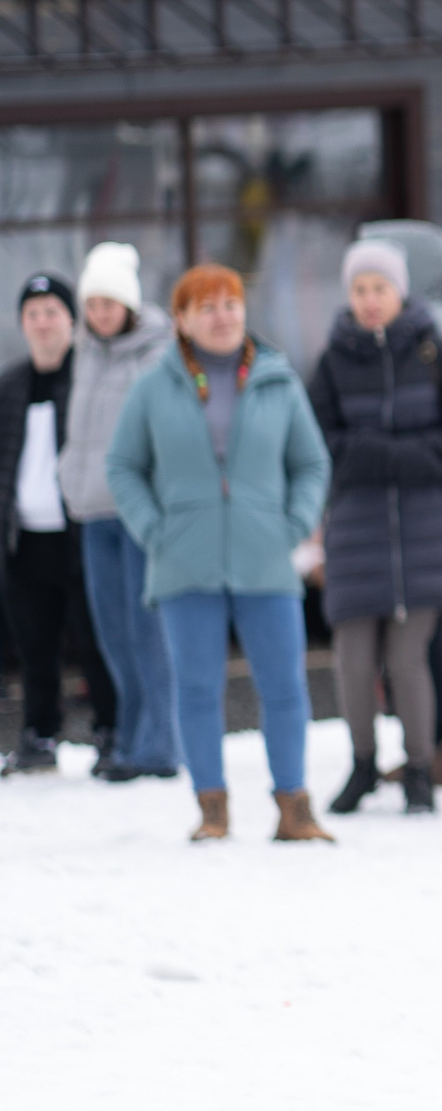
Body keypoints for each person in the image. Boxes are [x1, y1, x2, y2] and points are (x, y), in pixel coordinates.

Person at [105, 264, 333, 844]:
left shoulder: (279, 380)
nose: (222, 315)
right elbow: (123, 466)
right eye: (206, 306)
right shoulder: (154, 387)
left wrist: (294, 524)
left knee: (284, 685)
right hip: (184, 561)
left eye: (230, 303)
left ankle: (294, 806)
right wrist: (156, 530)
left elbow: (311, 464)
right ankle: (212, 808)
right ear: (181, 320)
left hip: (266, 557)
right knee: (198, 686)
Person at [306, 240, 442, 816]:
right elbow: (319, 442)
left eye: (379, 288)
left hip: (424, 528)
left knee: (409, 657)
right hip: (357, 529)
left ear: (400, 291)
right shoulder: (333, 360)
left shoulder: (435, 351)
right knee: (353, 656)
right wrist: (369, 456)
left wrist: (400, 456)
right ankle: (361, 764)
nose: (369, 300)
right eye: (359, 289)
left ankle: (420, 767)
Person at [359, 218, 442, 788]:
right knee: (412, 637)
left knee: (423, 634)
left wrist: (404, 455)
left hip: (426, 500)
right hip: (399, 502)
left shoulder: (432, 331)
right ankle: (429, 741)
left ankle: (436, 744)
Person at [61, 243, 178, 780]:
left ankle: (159, 743)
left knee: (146, 630)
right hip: (92, 511)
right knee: (111, 632)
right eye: (93, 303)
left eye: (109, 303)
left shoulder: (157, 352)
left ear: (128, 304)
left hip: (138, 511)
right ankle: (130, 736)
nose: (100, 313)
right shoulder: (85, 351)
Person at [0, 273, 115, 775]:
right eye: (34, 314)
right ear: (22, 324)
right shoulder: (10, 385)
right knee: (35, 644)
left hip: (80, 531)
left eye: (53, 313)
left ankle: (111, 728)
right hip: (25, 537)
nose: (43, 323)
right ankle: (39, 734)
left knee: (95, 637)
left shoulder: (89, 377)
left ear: (72, 320)